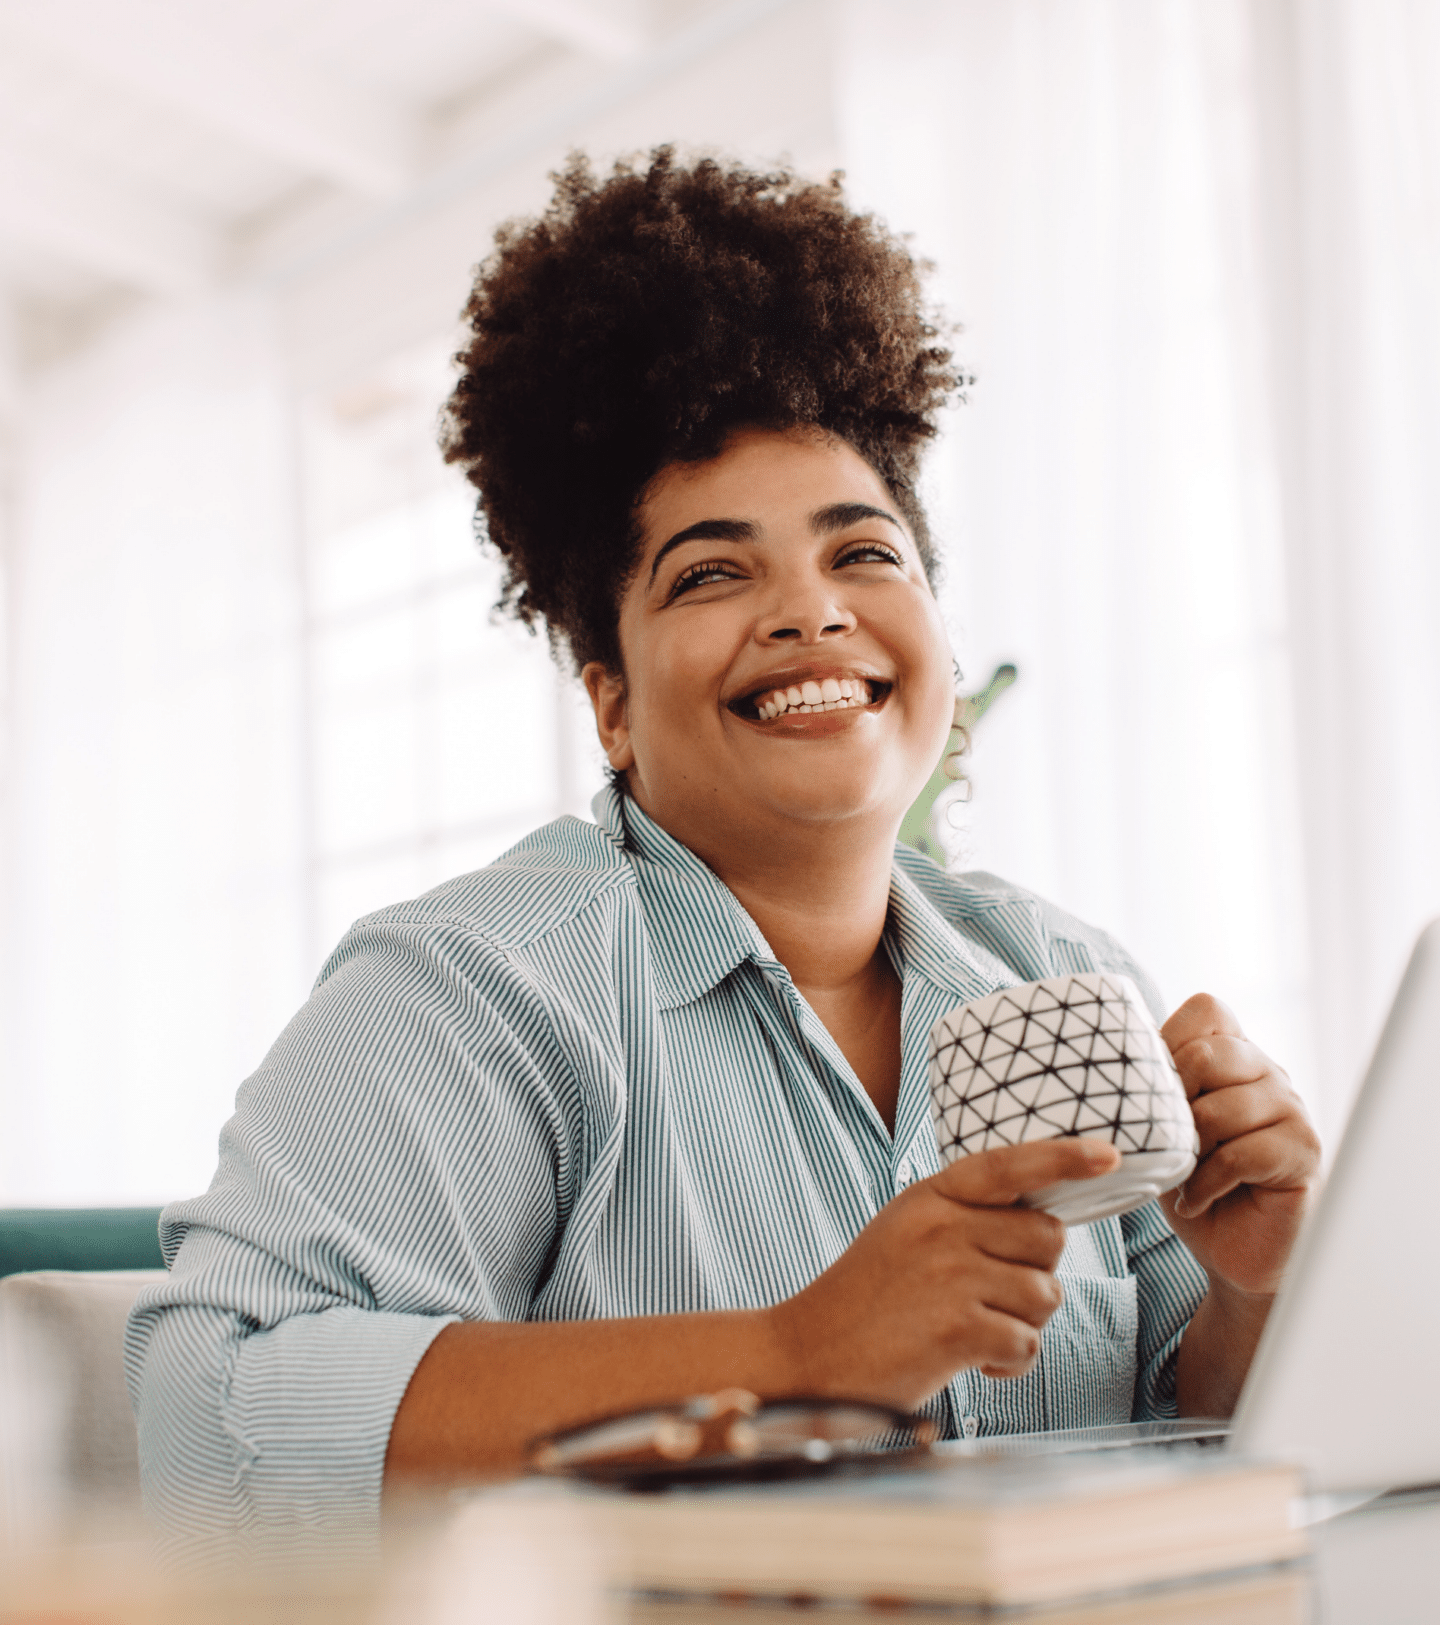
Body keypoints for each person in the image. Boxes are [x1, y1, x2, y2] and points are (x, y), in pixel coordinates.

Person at [125, 149, 1320, 1546]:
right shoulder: (473, 990)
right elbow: (210, 1426)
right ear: (612, 701)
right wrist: (794, 1357)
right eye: (710, 572)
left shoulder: (1060, 975)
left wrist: (1260, 1290)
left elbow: (1200, 1424)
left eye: (863, 554)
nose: (811, 613)